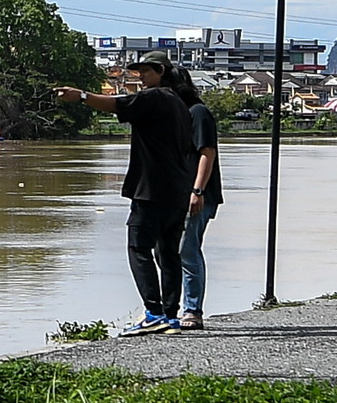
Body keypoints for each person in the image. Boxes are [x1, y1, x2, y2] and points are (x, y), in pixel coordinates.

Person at [53, 57, 223, 333]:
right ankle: (171, 314)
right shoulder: (182, 106)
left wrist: (81, 96)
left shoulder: (154, 98)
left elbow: (115, 104)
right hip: (176, 193)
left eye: (145, 71)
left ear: (161, 72)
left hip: (152, 191)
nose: (140, 76)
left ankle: (153, 313)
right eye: (138, 71)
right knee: (168, 253)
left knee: (139, 247)